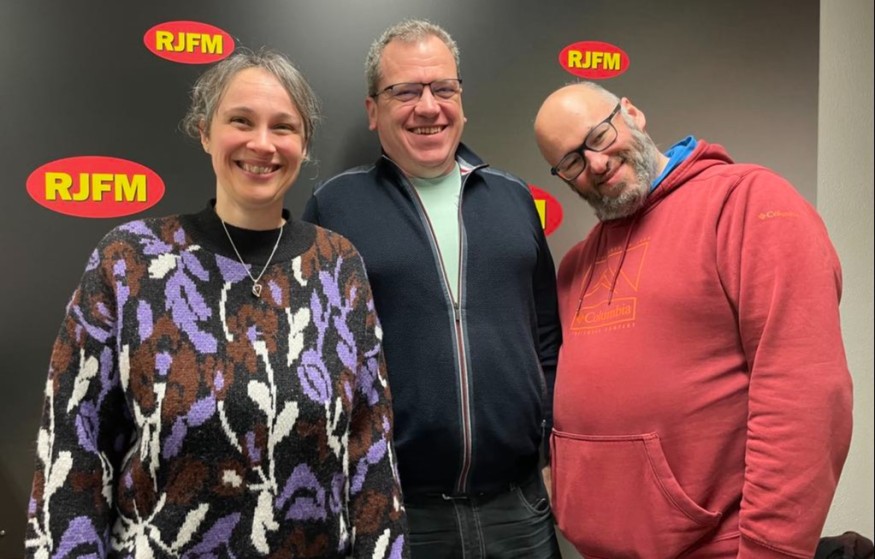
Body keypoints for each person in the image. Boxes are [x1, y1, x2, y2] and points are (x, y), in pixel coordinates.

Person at [25, 48, 408, 558]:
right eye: (241, 121)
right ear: (205, 132)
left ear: (303, 144)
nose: (262, 143)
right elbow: (73, 449)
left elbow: (371, 453)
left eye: (283, 127)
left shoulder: (338, 265)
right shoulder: (129, 261)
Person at [533, 81, 854, 559]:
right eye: (572, 163)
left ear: (632, 113)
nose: (595, 164)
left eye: (599, 136)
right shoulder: (576, 265)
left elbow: (804, 394)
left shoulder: (748, 203)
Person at [302, 19, 561, 559]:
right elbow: (313, 358)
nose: (428, 107)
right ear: (373, 110)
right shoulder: (335, 208)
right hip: (397, 510)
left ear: (461, 101)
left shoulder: (513, 199)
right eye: (405, 92)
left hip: (521, 508)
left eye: (443, 88)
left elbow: (545, 335)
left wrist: (553, 445)